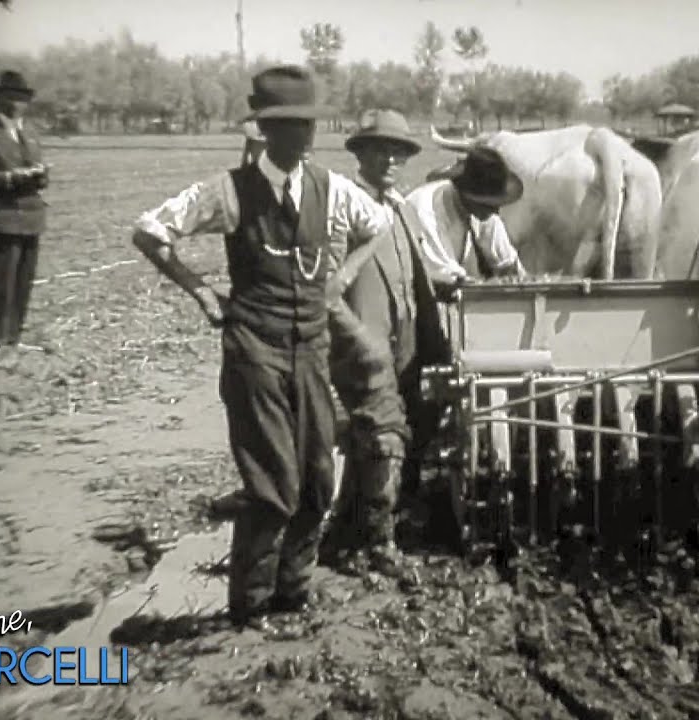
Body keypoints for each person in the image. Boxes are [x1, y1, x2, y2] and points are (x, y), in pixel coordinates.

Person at [130, 65, 407, 630]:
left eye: (307, 124)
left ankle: (293, 594)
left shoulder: (332, 190)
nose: (303, 136)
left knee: (316, 480)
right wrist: (203, 292)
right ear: (266, 130)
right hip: (254, 351)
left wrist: (341, 274)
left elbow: (380, 223)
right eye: (289, 126)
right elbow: (151, 230)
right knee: (272, 485)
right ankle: (251, 606)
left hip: (310, 348)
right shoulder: (229, 191)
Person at [327, 109, 453, 577]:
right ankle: (377, 544)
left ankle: (351, 527)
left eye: (398, 151)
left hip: (406, 348)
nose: (391, 159)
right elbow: (328, 287)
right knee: (382, 440)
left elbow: (416, 277)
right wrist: (354, 338)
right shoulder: (343, 207)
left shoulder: (400, 209)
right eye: (380, 149)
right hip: (363, 347)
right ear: (361, 154)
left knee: (388, 439)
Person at [0, 70, 49, 350]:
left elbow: (41, 175)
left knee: (23, 282)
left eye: (22, 98)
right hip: (4, 215)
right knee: (2, 283)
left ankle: (14, 337)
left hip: (32, 216)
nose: (17, 104)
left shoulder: (30, 133)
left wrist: (40, 175)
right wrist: (14, 177)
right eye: (12, 98)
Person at [406, 145, 527, 281]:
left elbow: (508, 263)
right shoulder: (427, 213)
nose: (495, 212)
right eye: (488, 205)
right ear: (467, 195)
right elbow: (447, 280)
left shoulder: (483, 213)